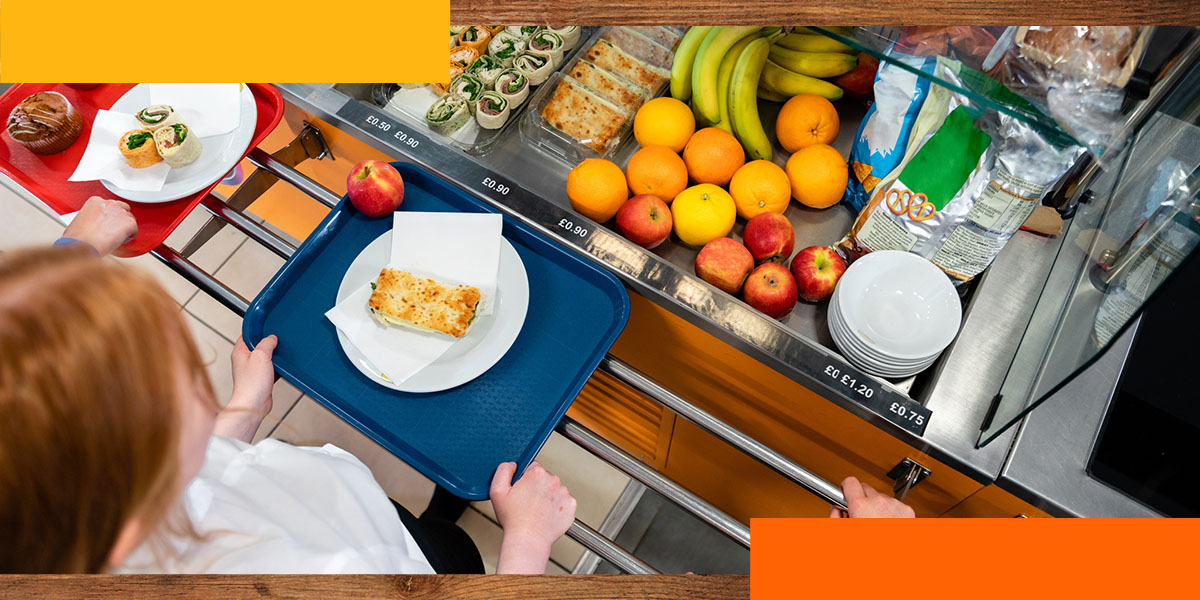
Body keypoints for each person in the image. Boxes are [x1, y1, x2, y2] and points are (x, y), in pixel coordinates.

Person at [0, 227, 576, 574]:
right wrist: (526, 540)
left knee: (437, 535)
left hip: (359, 518)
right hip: (398, 564)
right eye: (176, 383)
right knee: (456, 559)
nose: (198, 380)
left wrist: (242, 412)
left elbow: (199, 482)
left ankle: (436, 523)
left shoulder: (103, 509)